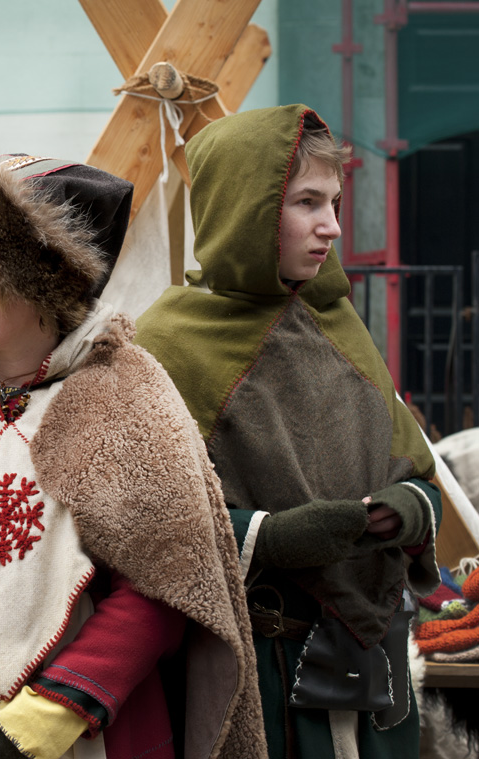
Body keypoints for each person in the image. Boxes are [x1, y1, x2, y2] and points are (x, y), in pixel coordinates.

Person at [0, 154, 267, 759]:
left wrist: (35, 723)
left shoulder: (124, 397)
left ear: (43, 279)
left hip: (80, 733)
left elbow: (166, 581)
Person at [134, 104, 442, 758]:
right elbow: (143, 523)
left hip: (375, 669)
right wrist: (269, 537)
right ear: (244, 208)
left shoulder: (339, 323)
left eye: (334, 201)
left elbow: (415, 470)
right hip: (264, 676)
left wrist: (409, 509)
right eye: (306, 202)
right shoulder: (166, 343)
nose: (332, 226)